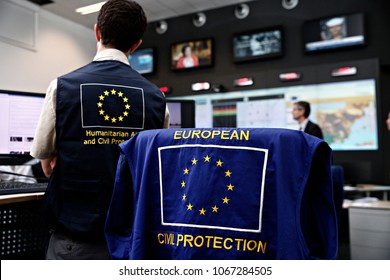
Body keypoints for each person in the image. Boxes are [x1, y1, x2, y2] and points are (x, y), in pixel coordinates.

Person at [30, 0, 170, 260]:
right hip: (131, 243)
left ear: (97, 32)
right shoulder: (156, 99)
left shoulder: (62, 87)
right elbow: (154, 170)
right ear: (136, 44)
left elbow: (46, 164)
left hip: (74, 242)